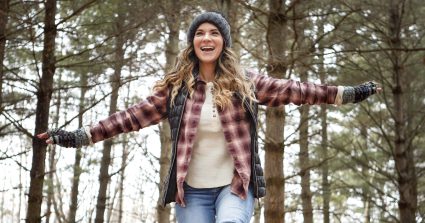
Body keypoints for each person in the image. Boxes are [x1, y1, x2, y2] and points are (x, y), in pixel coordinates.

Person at [37, 11, 381, 223]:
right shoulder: (175, 91)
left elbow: (296, 90)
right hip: (192, 193)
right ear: (192, 44)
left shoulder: (247, 83)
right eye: (200, 33)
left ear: (223, 43)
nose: (206, 37)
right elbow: (129, 117)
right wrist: (77, 136)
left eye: (214, 33)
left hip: (235, 187)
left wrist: (345, 93)